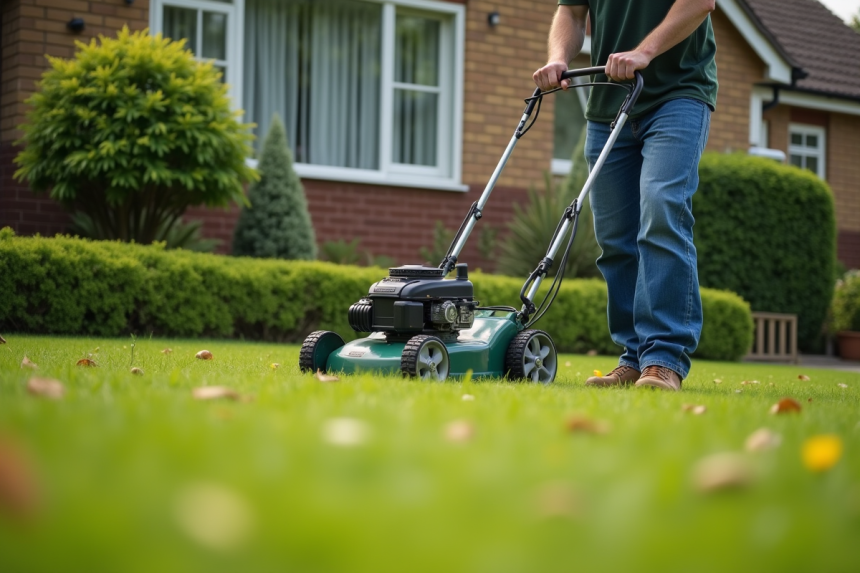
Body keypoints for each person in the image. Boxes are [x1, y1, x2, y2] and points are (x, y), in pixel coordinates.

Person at [533, 0, 718, 391]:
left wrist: (644, 51)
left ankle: (664, 358)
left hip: (678, 93)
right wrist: (558, 57)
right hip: (608, 104)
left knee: (661, 207)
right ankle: (633, 358)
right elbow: (571, 11)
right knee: (615, 237)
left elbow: (702, 3)